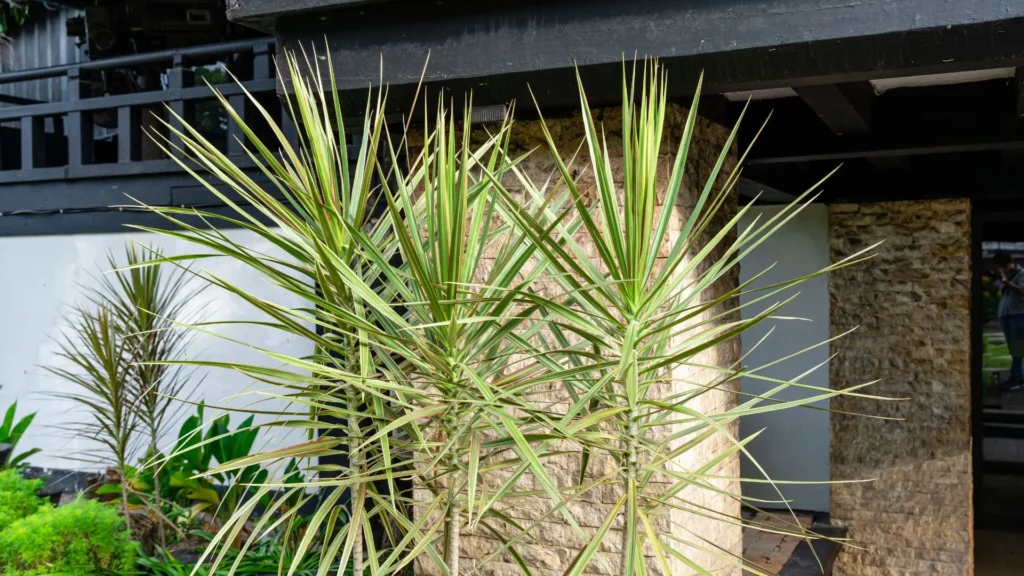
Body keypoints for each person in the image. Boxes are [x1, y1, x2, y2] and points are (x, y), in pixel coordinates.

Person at [994, 251, 1024, 390]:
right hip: (1005, 314)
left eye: (1003, 266)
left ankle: (1014, 378)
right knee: (1013, 348)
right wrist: (1000, 280)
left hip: (1018, 314)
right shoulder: (1005, 275)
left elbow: (1021, 291)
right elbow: (998, 289)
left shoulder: (1021, 274)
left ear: (1009, 263)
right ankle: (1020, 376)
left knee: (1018, 347)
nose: (1003, 269)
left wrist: (1007, 282)